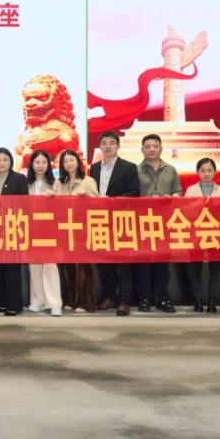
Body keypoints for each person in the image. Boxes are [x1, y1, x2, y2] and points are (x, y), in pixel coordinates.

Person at [88, 131, 140, 316]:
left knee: (124, 262)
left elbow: (134, 193)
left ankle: (124, 300)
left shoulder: (129, 167)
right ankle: (109, 296)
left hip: (121, 219)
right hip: (100, 220)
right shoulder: (93, 168)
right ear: (100, 146)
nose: (108, 146)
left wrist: (112, 200)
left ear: (118, 146)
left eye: (112, 143)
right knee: (105, 260)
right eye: (104, 143)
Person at [136, 134, 181, 313]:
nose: (152, 149)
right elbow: (132, 195)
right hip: (142, 223)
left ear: (161, 149)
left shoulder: (170, 170)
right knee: (143, 264)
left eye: (155, 146)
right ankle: (144, 299)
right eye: (148, 146)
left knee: (162, 264)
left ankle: (162, 298)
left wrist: (174, 196)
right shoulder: (136, 170)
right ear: (142, 150)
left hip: (165, 223)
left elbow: (178, 191)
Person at [52, 149, 97, 313]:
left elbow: (98, 204)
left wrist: (88, 197)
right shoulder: (58, 183)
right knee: (67, 266)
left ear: (78, 161)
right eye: (65, 162)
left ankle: (85, 303)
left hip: (83, 229)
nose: (69, 164)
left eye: (71, 160)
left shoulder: (88, 180)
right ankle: (71, 300)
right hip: (64, 229)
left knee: (83, 267)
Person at [184, 158, 220, 313]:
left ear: (215, 172)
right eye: (203, 171)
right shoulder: (190, 190)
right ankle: (197, 299)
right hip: (196, 234)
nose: (206, 173)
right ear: (197, 173)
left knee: (215, 268)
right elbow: (186, 212)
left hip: (216, 234)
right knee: (195, 268)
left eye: (210, 170)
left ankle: (212, 299)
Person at [0, 148, 27, 316]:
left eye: (5, 159)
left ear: (11, 161)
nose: (1, 163)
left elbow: (24, 203)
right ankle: (3, 302)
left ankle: (14, 305)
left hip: (13, 228)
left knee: (12, 269)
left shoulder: (19, 178)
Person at [26, 149, 62, 316]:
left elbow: (64, 205)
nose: (40, 165)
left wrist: (54, 198)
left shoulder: (56, 183)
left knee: (50, 265)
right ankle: (37, 300)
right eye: (37, 162)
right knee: (34, 265)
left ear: (49, 165)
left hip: (49, 229)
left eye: (44, 162)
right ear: (31, 164)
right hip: (30, 228)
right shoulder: (26, 183)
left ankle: (54, 303)